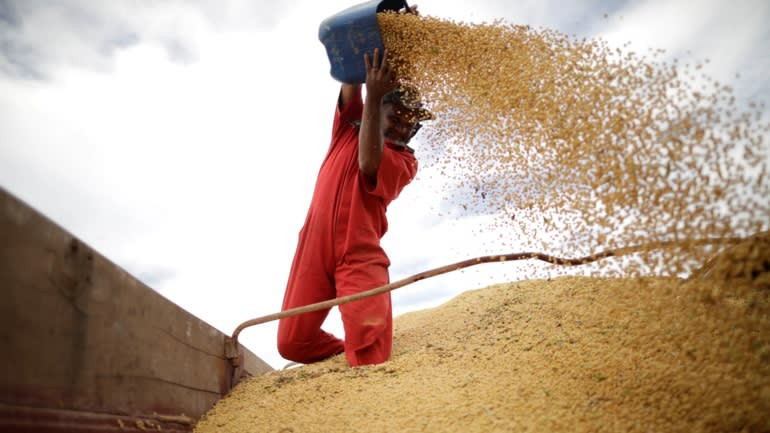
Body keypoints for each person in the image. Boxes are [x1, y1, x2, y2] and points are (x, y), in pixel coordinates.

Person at [276, 46, 433, 367]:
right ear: (379, 109)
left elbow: (368, 162)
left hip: (359, 253)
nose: (403, 128)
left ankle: (361, 360)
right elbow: (350, 81)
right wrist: (367, 47)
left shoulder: (405, 162)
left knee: (370, 356)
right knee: (292, 343)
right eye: (397, 117)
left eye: (411, 124)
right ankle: (345, 353)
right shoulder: (348, 127)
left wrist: (374, 96)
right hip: (313, 246)